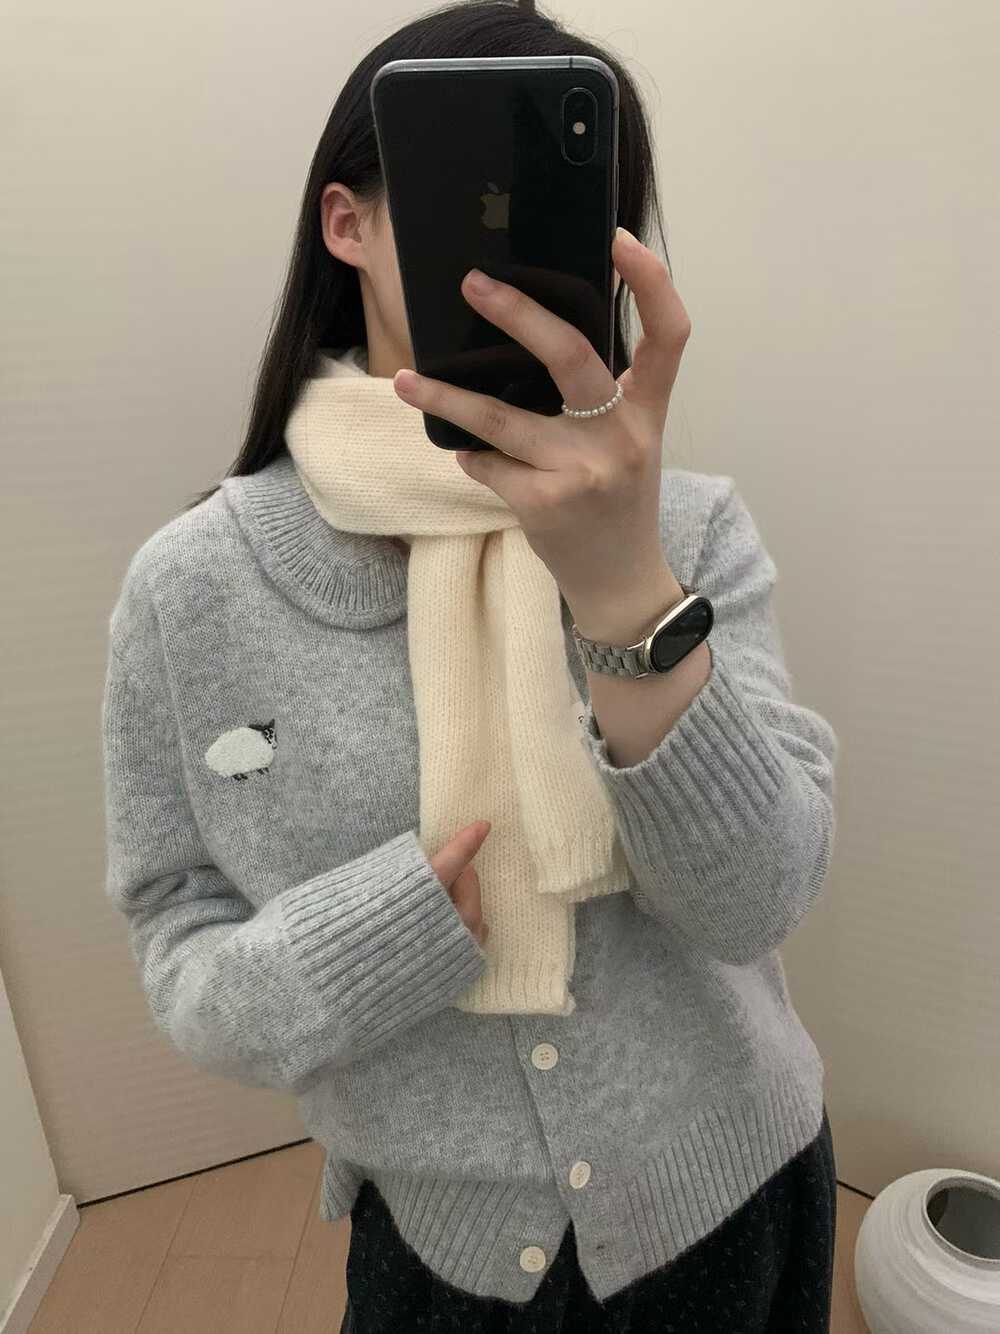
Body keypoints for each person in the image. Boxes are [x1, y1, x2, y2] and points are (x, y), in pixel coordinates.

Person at [101, 2, 840, 1330]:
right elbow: (178, 947)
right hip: (441, 1247)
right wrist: (384, 935)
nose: (511, 245)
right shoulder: (193, 587)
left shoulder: (686, 532)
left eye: (569, 207)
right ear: (348, 224)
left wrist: (623, 588)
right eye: (464, 201)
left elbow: (757, 902)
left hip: (730, 1200)